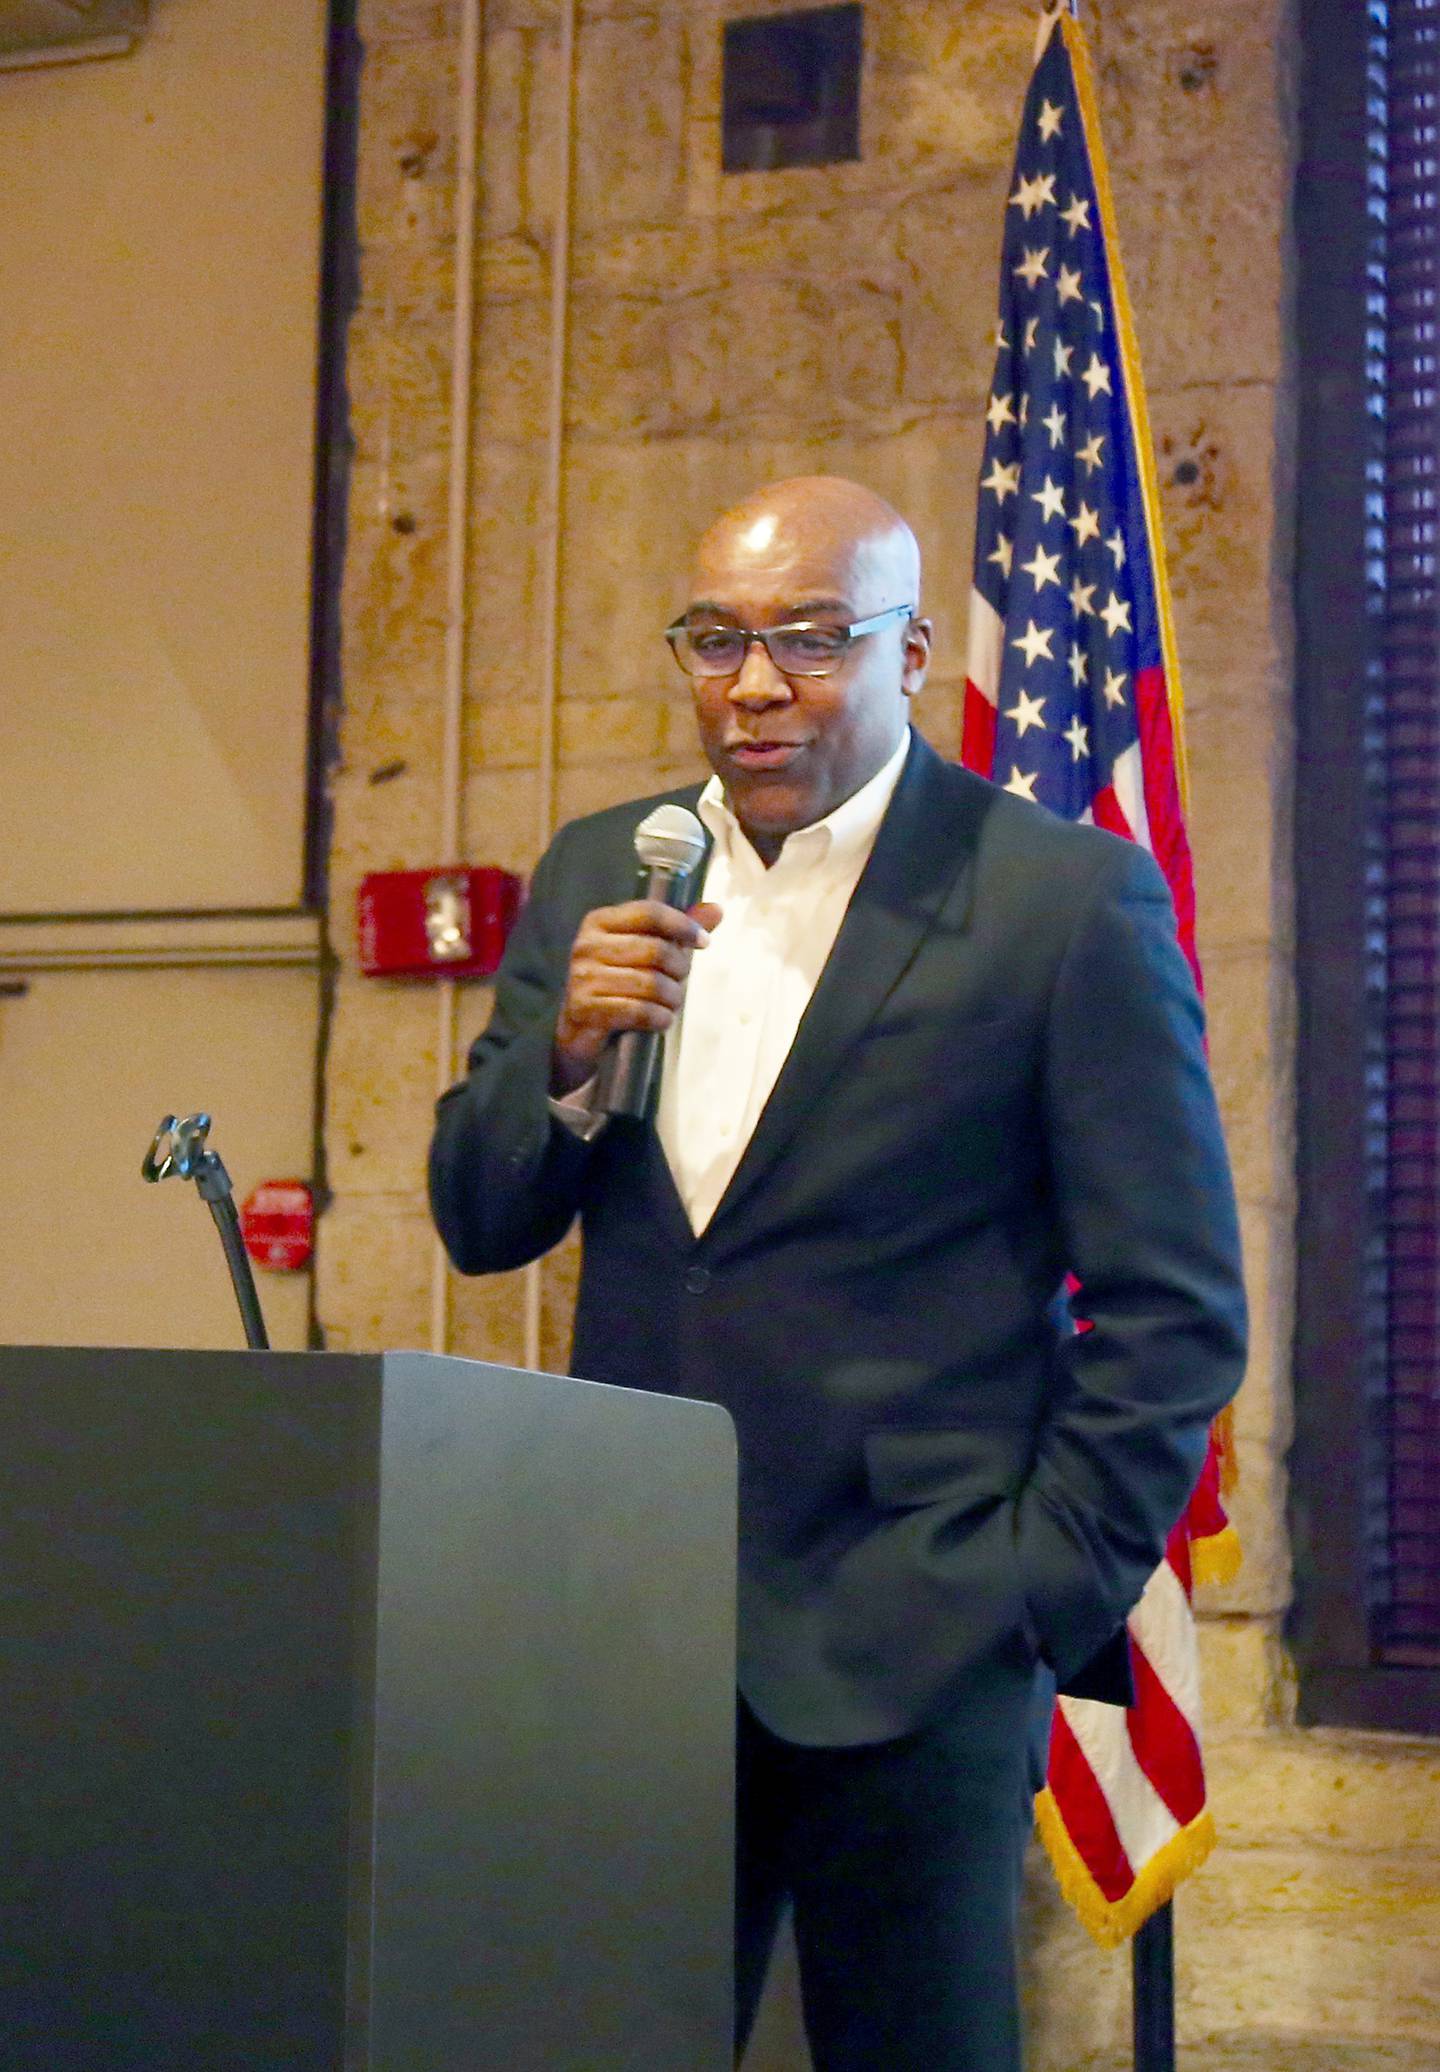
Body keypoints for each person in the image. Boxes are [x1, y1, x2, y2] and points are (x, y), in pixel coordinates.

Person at [429, 475, 1247, 2071]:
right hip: (628, 1635)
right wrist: (569, 1049)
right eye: (716, 640)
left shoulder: (1057, 900)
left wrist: (1030, 1590)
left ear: (912, 651)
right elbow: (477, 1215)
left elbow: (1175, 1307)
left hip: (917, 1640)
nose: (753, 686)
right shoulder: (610, 863)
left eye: (809, 640)